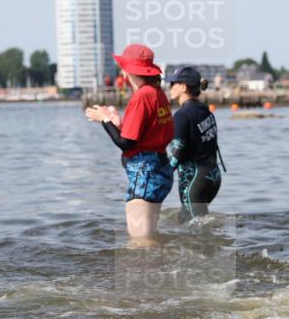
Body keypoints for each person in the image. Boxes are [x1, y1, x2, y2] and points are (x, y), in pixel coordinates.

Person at [85, 44, 174, 239]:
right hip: (161, 170)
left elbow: (126, 143)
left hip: (145, 174)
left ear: (128, 71)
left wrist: (104, 120)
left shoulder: (141, 96)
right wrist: (119, 124)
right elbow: (147, 134)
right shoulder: (157, 93)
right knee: (150, 236)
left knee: (139, 242)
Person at [166, 66, 223, 222]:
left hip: (194, 181)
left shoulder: (182, 115)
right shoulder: (205, 111)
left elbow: (176, 153)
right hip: (213, 176)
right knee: (193, 221)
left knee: (193, 228)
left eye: (173, 84)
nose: (170, 87)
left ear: (183, 87)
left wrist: (161, 174)